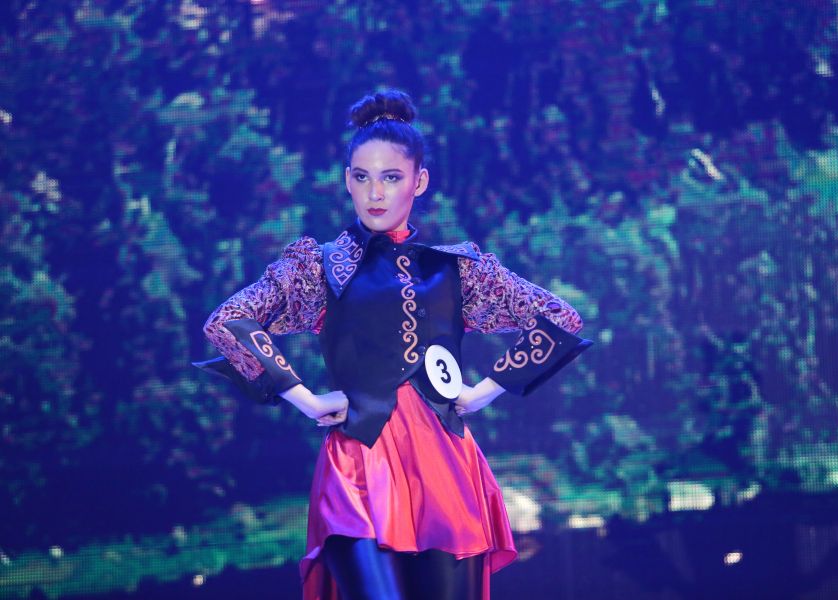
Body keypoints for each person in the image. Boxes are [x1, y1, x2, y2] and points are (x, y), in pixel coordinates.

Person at [195, 90, 591, 600]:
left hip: (445, 468)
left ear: (419, 181)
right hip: (358, 467)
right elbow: (227, 321)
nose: (375, 193)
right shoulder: (320, 267)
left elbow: (560, 318)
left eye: (391, 177)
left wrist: (481, 392)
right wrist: (307, 399)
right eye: (362, 177)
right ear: (347, 181)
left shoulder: (456, 269)